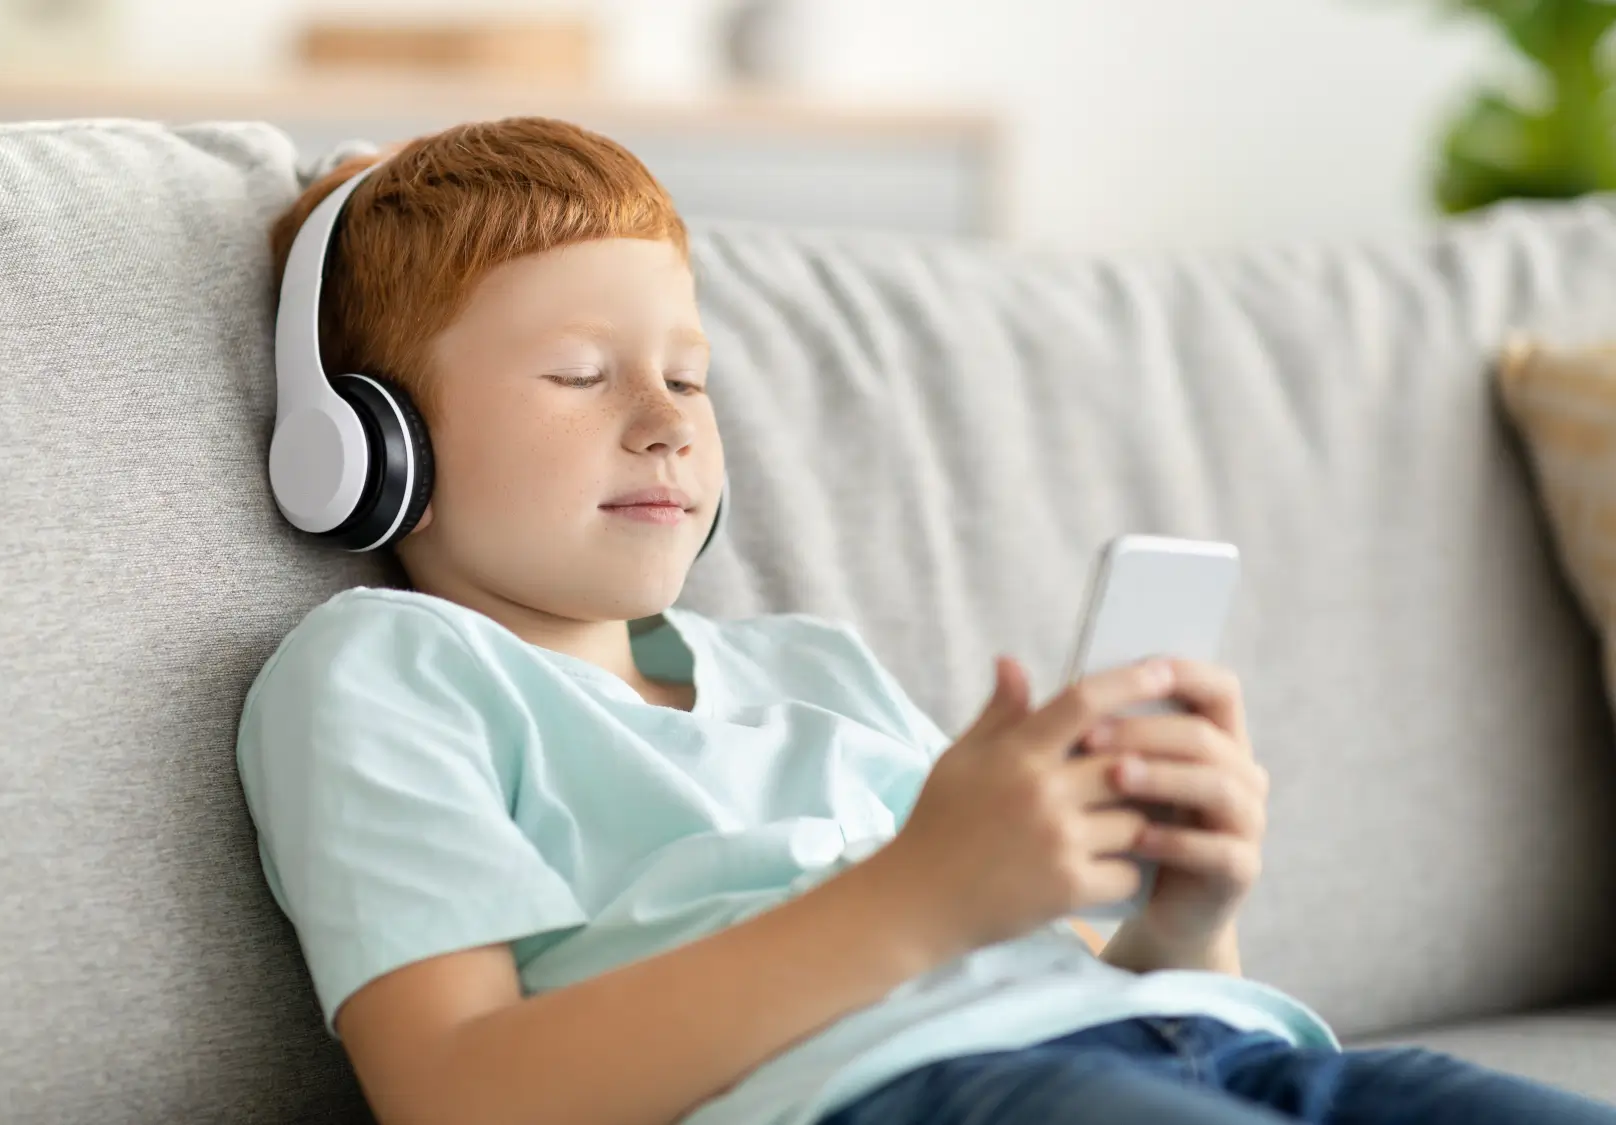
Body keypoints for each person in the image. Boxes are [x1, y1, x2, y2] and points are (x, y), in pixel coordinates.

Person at [235, 116, 1616, 1125]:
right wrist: (916, 897)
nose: (664, 424)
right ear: (369, 446)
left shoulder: (807, 664)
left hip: (1202, 1043)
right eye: (581, 374)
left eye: (691, 377)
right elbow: (460, 1092)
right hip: (915, 1101)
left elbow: (1044, 970)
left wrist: (1187, 923)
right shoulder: (384, 672)